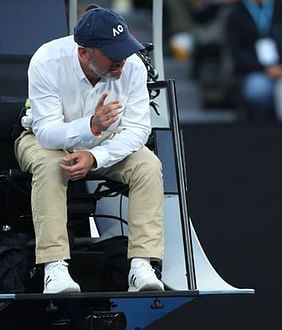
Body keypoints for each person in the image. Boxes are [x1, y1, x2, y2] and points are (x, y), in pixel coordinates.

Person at [15, 6, 165, 294]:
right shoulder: (47, 60)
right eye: (112, 52)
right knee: (50, 165)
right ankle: (54, 267)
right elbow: (46, 132)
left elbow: (138, 130)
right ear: (84, 52)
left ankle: (142, 264)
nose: (121, 60)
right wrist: (91, 127)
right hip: (45, 141)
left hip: (105, 144)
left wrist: (95, 154)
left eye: (123, 49)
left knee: (148, 165)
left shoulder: (132, 65)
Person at [226, 0, 282, 120]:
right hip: (256, 71)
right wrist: (265, 68)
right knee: (258, 89)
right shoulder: (236, 13)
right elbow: (237, 53)